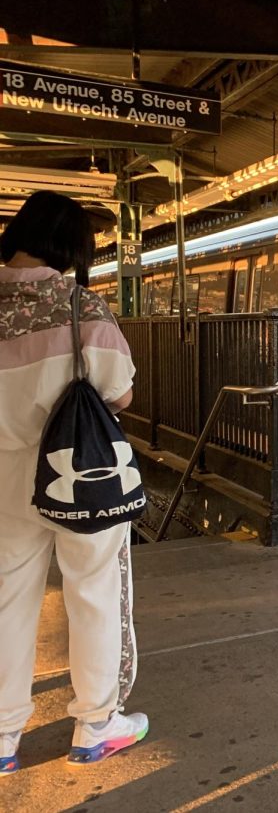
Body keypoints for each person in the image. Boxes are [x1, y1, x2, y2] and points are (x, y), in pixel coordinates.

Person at [0, 191, 148, 775]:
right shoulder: (80, 306)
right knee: (93, 590)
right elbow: (121, 393)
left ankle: (5, 737)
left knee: (7, 599)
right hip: (77, 469)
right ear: (71, 248)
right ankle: (95, 724)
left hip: (5, 474)